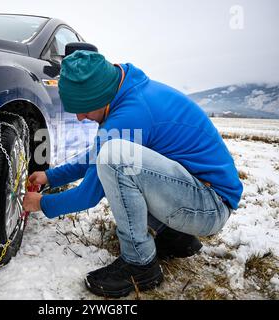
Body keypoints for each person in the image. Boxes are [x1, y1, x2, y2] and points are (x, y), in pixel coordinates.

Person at [23, 50, 243, 298]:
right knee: (113, 158)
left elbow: (90, 192)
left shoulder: (129, 116)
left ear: (101, 96)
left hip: (208, 207)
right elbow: (95, 157)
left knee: (114, 159)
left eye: (84, 109)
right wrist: (51, 177)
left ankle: (139, 264)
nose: (80, 117)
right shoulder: (126, 91)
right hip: (197, 195)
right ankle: (175, 237)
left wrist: (42, 203)